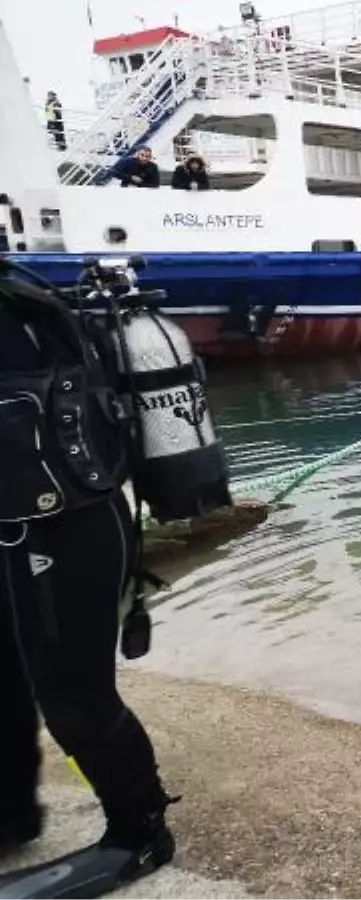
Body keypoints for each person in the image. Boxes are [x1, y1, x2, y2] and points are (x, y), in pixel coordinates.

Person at [0, 261, 176, 886]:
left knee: (74, 696)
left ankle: (140, 833)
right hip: (30, 525)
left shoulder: (17, 311)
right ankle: (11, 816)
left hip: (62, 528)